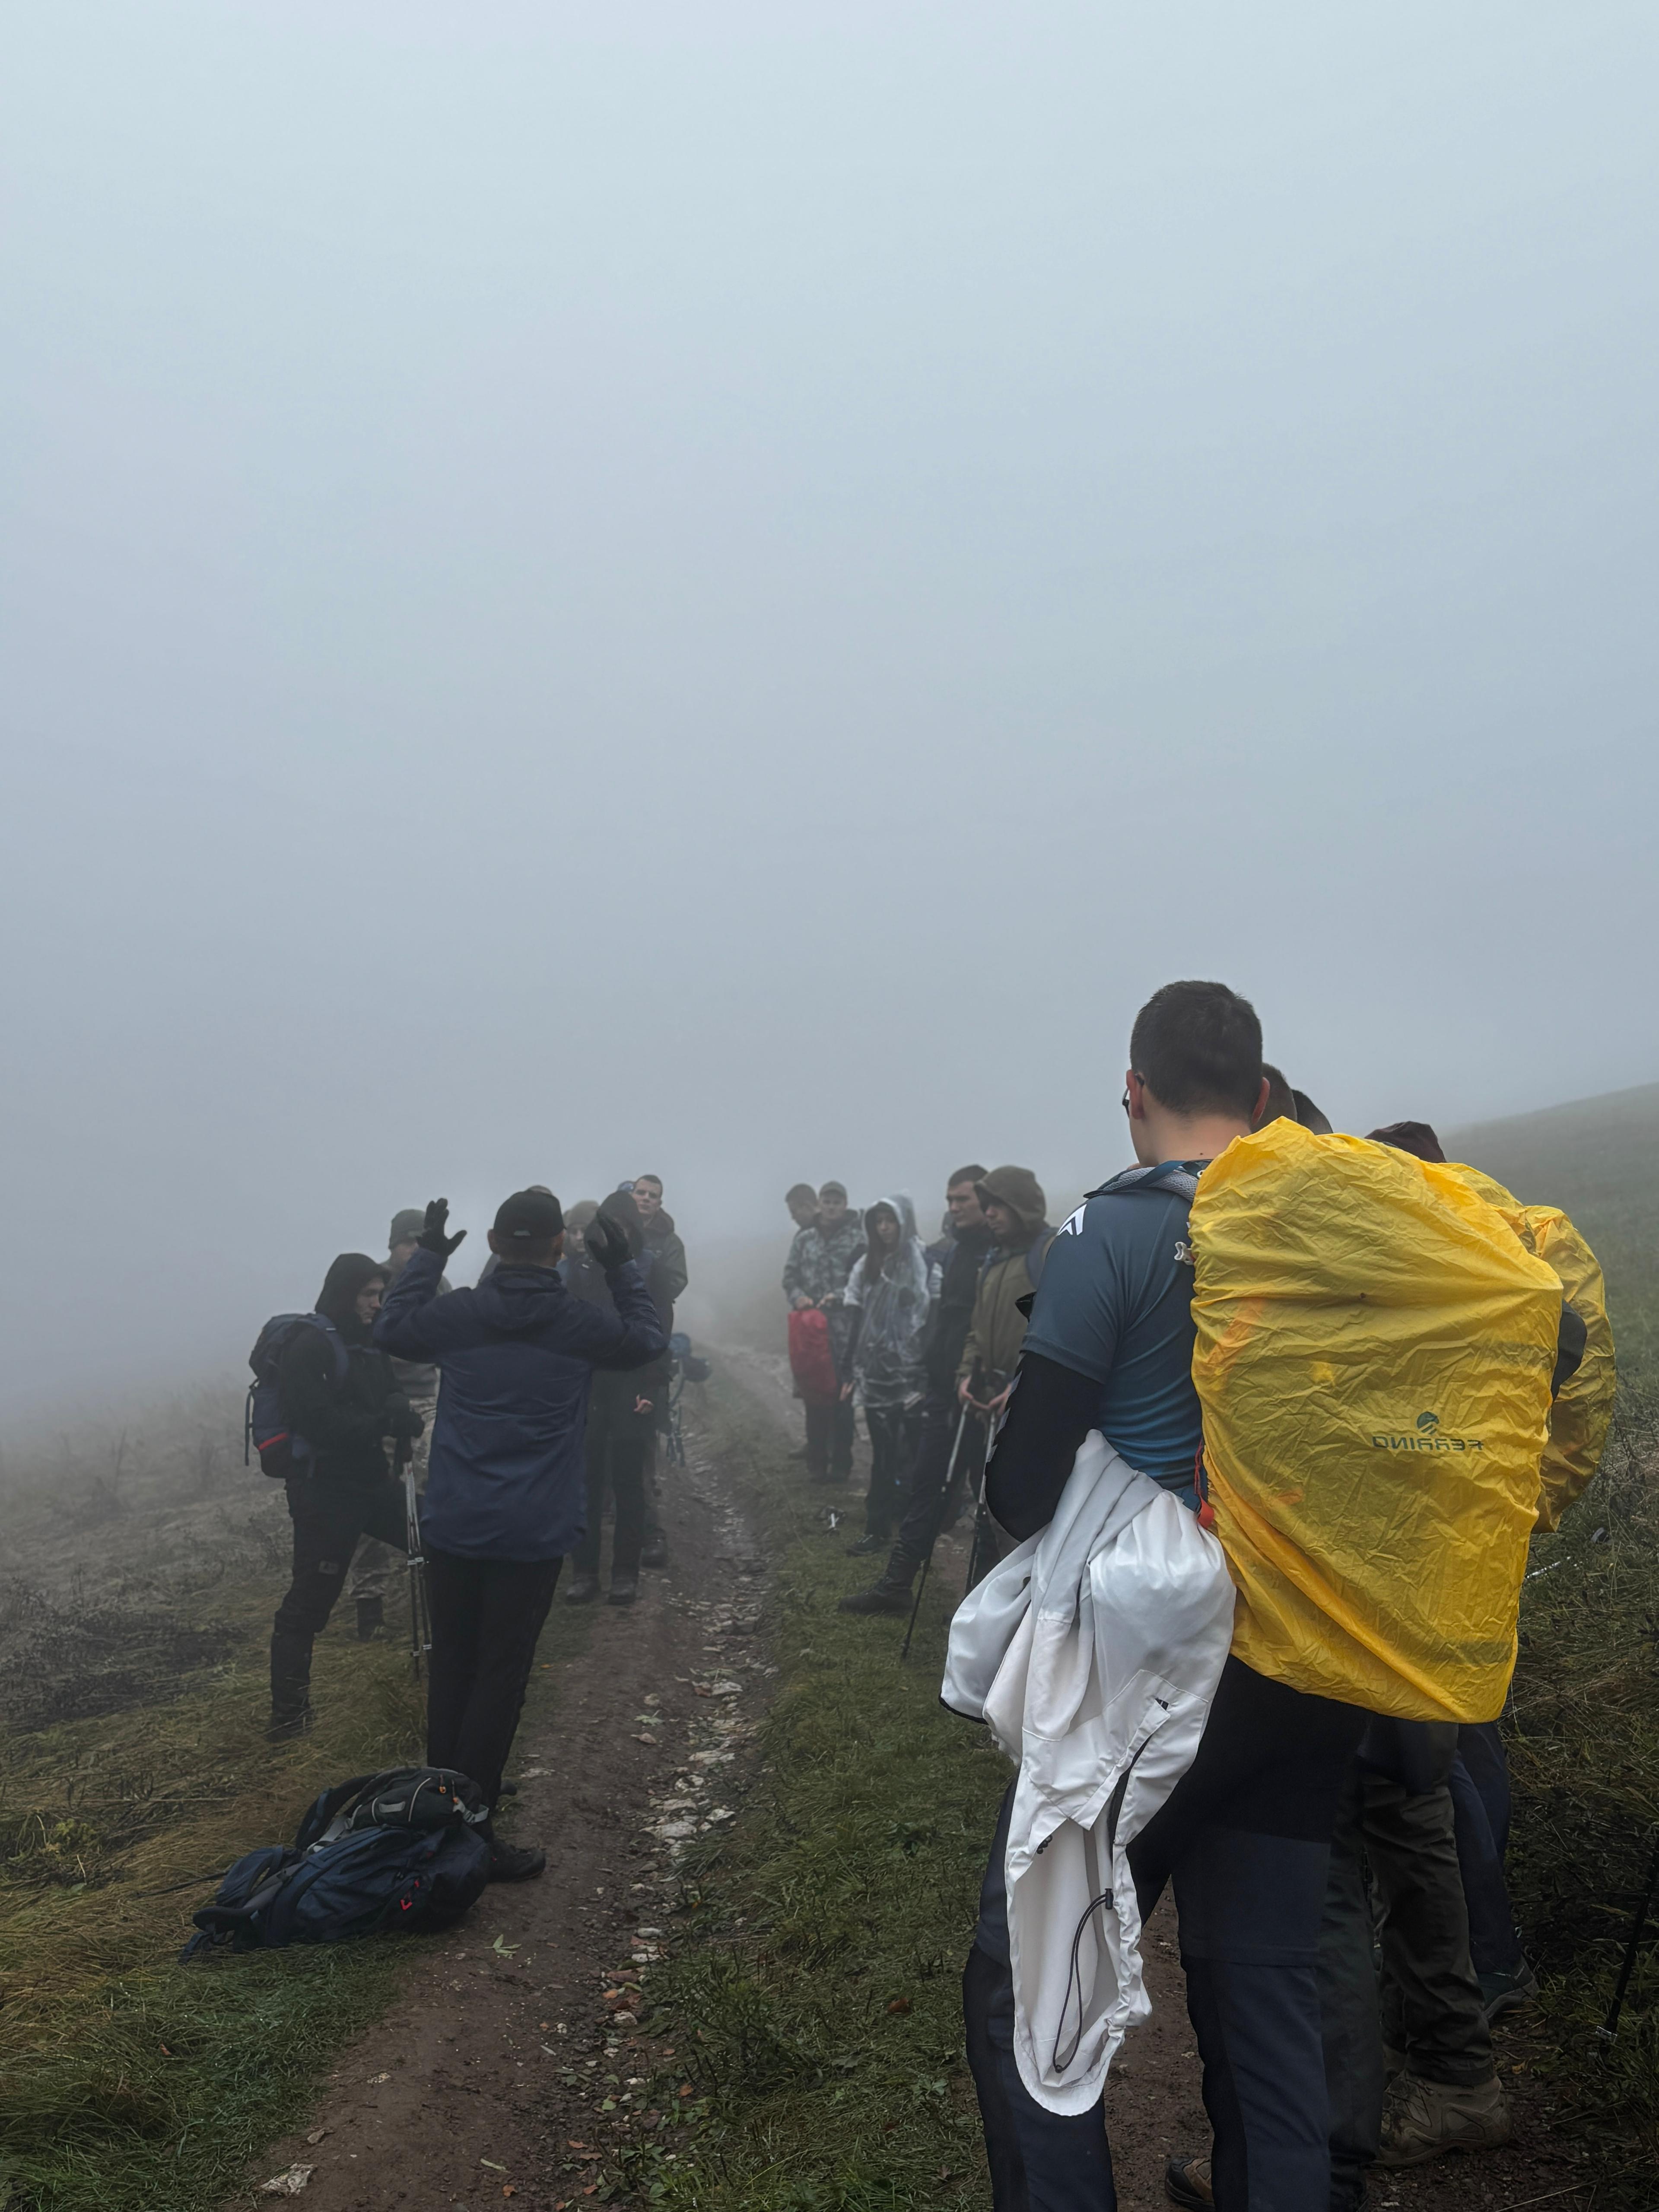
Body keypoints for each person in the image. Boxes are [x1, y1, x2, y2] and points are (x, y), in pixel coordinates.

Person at [965, 979, 1369, 2212]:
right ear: (1264, 1097)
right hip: (1305, 1665)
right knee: (1266, 1999)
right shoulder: (1347, 1229)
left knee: (1030, 1979)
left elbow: (1027, 1488)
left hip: (1145, 1682)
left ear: (1135, 1096)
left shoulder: (1113, 1232)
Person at [375, 1191, 665, 1880]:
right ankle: (471, 1827)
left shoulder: (461, 1314)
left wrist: (431, 1258)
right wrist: (624, 1267)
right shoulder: (575, 1322)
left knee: (454, 1664)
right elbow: (648, 1341)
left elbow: (390, 1330)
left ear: (496, 1243)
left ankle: (443, 1806)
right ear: (559, 1248)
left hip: (455, 1519)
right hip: (533, 1530)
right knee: (501, 1674)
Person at [269, 1254, 423, 1738]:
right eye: (369, 1295)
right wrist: (386, 1421)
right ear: (344, 1293)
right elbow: (320, 1423)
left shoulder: (368, 1341)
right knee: (309, 1605)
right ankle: (289, 1719)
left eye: (380, 1294)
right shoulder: (309, 1346)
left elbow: (388, 1390)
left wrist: (401, 1410)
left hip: (373, 1484)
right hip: (324, 1492)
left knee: (441, 1541)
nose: (377, 1304)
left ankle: (457, 1660)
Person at [840, 1165, 992, 1616]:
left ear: (990, 1201)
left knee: (989, 1497)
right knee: (926, 1481)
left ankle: (988, 1603)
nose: (953, 1208)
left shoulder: (1003, 1254)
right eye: (949, 1200)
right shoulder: (959, 1252)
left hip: (986, 1396)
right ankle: (897, 1583)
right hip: (943, 1388)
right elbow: (943, 1321)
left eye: (962, 1199)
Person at [345, 1207, 452, 1641]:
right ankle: (368, 1607)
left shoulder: (438, 1283)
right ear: (393, 1245)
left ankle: (435, 1590)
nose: (413, 1249)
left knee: (427, 1497)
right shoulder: (373, 1283)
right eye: (407, 1242)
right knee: (374, 1503)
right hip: (379, 1406)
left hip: (427, 1400)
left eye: (420, 1242)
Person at [564, 1189, 670, 1606]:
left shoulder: (649, 1269)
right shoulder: (580, 1269)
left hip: (632, 1383)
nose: (617, 1234)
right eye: (610, 1226)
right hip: (589, 1384)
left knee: (628, 1482)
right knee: (585, 1482)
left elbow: (660, 1332)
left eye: (624, 1227)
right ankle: (585, 1573)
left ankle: (625, 1573)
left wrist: (650, 1387)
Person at [837, 1194, 940, 1556]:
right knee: (882, 1455)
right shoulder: (866, 1266)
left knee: (916, 1453)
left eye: (890, 1221)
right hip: (877, 1374)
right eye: (878, 1221)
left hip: (913, 1375)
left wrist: (926, 1368)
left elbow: (933, 1319)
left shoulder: (925, 1263)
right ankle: (876, 1527)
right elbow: (854, 1318)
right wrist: (848, 1366)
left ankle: (916, 1527)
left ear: (904, 1223)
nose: (884, 1228)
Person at [782, 1181, 865, 1481]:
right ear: (821, 1203)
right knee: (814, 1398)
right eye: (827, 1202)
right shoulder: (805, 1239)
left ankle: (842, 1464)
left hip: (844, 1332)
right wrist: (798, 1297)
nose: (831, 1207)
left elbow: (866, 1279)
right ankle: (816, 1463)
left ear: (844, 1205)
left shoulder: (859, 1238)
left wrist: (841, 1296)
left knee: (843, 1398)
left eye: (837, 1202)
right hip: (810, 1331)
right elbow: (789, 1277)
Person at [630, 1175, 687, 1570]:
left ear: (660, 1202)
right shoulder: (613, 1231)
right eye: (641, 1193)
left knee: (642, 1445)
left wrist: (648, 1279)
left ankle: (650, 1531)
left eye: (653, 1196)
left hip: (651, 1341)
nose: (647, 1200)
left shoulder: (670, 1241)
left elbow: (676, 1284)